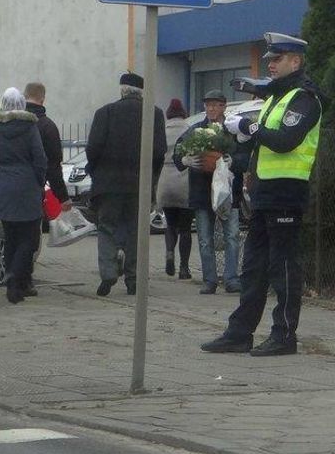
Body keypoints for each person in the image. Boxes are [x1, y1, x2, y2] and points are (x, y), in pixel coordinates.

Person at [201, 33, 325, 357]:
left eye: (277, 59)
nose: (270, 64)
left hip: (287, 191)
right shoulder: (275, 97)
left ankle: (284, 336)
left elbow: (284, 140)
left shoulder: (304, 98)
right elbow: (262, 143)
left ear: (295, 62)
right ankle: (239, 333)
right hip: (265, 191)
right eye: (270, 59)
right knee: (253, 266)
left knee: (282, 267)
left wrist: (250, 127)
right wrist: (239, 142)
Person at [85, 71, 166, 296]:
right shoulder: (155, 114)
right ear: (142, 92)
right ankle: (134, 279)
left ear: (122, 90)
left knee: (107, 228)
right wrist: (151, 177)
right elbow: (159, 152)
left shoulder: (105, 113)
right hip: (138, 185)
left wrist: (96, 170)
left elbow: (93, 148)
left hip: (108, 184)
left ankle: (108, 273)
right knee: (136, 231)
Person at [0, 88, 47, 304]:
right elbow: (40, 159)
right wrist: (38, 182)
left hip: (4, 187)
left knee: (11, 238)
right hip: (27, 187)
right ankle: (16, 278)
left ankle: (14, 284)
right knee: (30, 239)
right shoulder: (30, 127)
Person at [174, 90, 249, 295]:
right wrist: (184, 160)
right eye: (208, 105)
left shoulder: (232, 131)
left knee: (232, 236)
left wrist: (234, 162)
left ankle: (232, 279)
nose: (211, 109)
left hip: (228, 193)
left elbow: (246, 156)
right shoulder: (196, 130)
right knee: (205, 238)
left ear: (224, 107)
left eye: (216, 105)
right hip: (201, 192)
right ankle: (210, 280)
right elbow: (178, 151)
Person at [23, 81, 72, 295]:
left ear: (24, 97)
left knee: (12, 233)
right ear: (42, 99)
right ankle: (24, 278)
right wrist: (63, 197)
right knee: (31, 235)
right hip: (33, 189)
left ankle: (13, 275)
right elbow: (53, 166)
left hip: (7, 188)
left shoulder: (7, 123)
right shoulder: (47, 126)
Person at [157, 98, 192, 280]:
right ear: (184, 114)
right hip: (185, 179)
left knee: (170, 224)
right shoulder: (189, 130)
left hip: (165, 180)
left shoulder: (161, 131)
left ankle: (169, 251)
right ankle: (184, 268)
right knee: (185, 227)